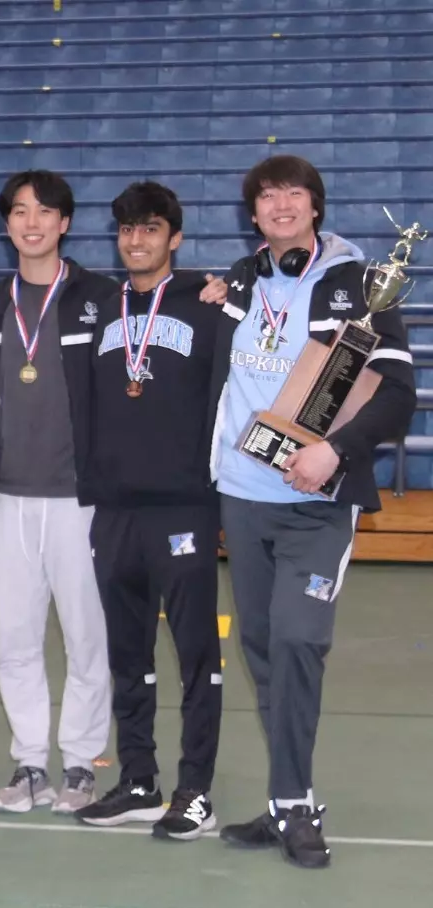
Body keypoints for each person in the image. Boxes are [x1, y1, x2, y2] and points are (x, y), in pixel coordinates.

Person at [207, 155, 415, 868]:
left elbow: (396, 394)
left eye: (293, 193)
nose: (280, 204)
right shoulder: (239, 281)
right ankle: (285, 798)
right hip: (243, 495)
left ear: (316, 206)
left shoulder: (359, 284)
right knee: (264, 653)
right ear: (253, 214)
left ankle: (294, 804)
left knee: (298, 642)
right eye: (266, 197)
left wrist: (338, 451)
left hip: (316, 502)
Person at [70, 183, 229, 839]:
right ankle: (138, 779)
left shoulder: (208, 304)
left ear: (175, 238)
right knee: (127, 654)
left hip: (184, 505)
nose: (136, 240)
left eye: (151, 229)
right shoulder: (102, 311)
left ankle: (194, 790)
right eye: (127, 230)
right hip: (115, 510)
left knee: (196, 655)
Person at [0, 170, 117, 816]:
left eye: (45, 212)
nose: (32, 223)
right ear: (7, 225)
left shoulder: (103, 298)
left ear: (65, 223)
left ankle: (81, 762)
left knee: (87, 635)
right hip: (7, 497)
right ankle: (30, 760)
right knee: (18, 636)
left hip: (81, 496)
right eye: (20, 213)